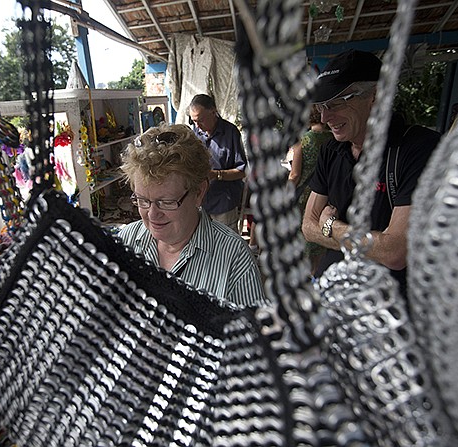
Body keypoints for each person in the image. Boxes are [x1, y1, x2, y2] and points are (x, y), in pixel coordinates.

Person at [301, 49, 440, 298]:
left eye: (334, 103)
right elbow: (308, 226)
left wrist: (332, 227)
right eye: (322, 106)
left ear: (374, 95)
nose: (325, 116)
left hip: (387, 309)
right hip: (332, 295)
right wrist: (371, 244)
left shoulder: (417, 149)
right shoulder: (331, 151)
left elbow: (396, 252)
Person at [118, 123, 267, 307]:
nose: (152, 214)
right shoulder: (126, 241)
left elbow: (252, 333)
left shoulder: (235, 259)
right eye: (142, 200)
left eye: (166, 202)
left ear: (199, 192)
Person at [188, 94, 247, 232]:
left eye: (200, 120)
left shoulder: (230, 133)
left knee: (227, 246)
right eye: (193, 121)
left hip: (223, 202)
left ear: (213, 112)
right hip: (200, 202)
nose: (197, 125)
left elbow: (242, 171)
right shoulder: (195, 133)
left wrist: (216, 174)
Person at [288, 106, 333, 275]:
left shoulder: (303, 141)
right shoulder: (334, 139)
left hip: (303, 197)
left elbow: (295, 174)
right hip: (326, 196)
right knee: (320, 238)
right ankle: (315, 274)